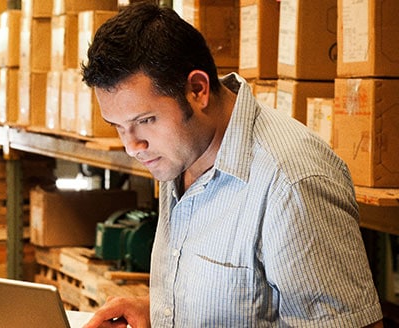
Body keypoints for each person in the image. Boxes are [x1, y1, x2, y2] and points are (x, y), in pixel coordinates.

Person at [80, 2, 384, 327]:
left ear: (197, 90)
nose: (132, 146)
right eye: (117, 126)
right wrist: (158, 310)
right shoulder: (179, 151)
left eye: (145, 120)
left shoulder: (292, 181)